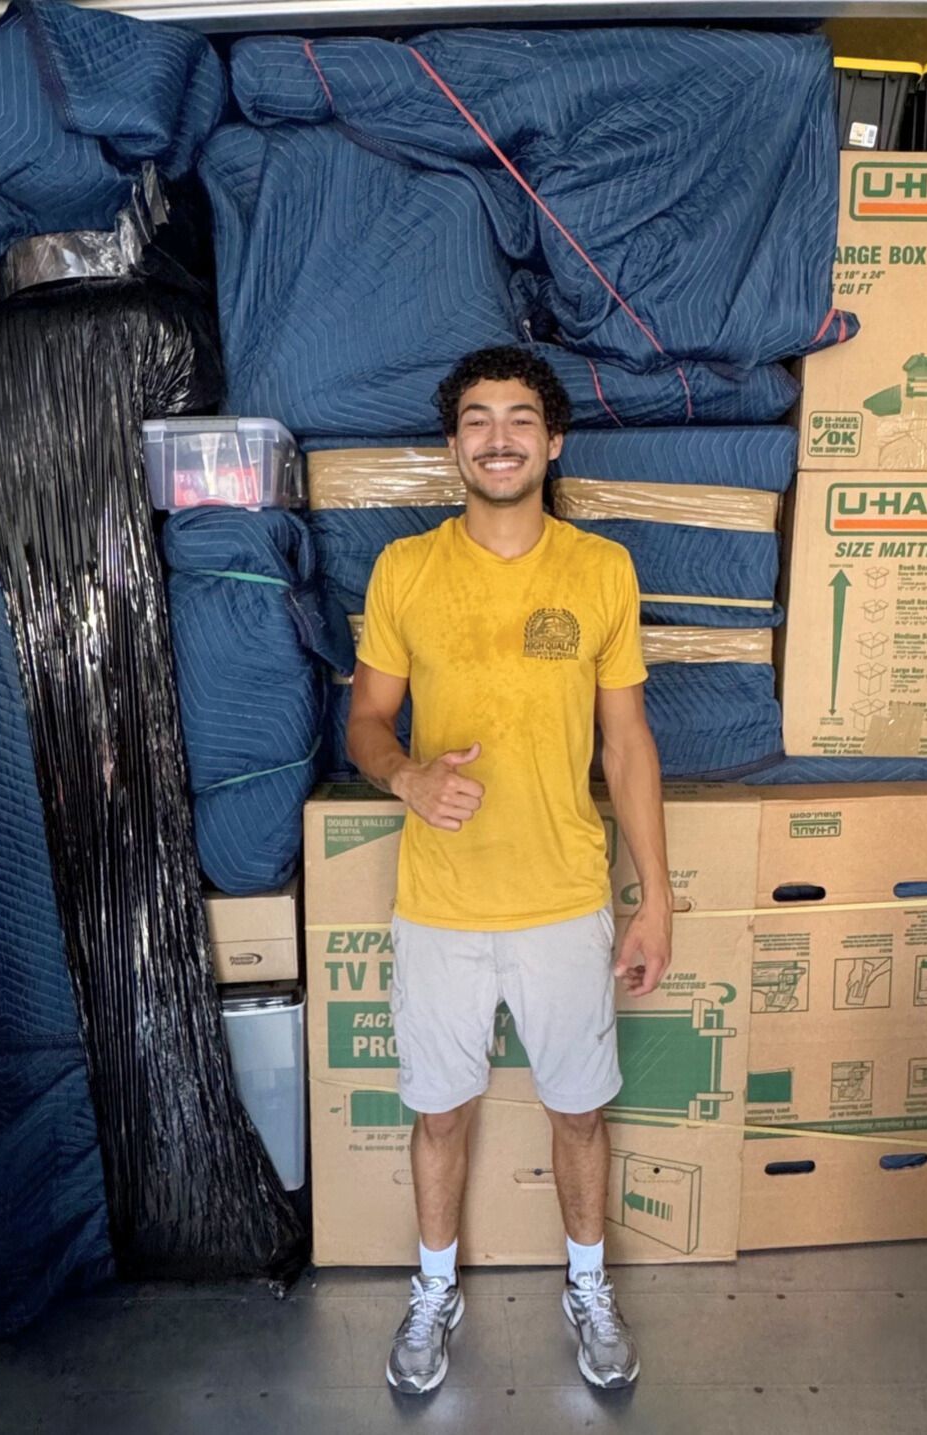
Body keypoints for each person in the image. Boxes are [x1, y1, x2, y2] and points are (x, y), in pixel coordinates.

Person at [347, 346, 673, 1394]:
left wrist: (653, 898)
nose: (499, 436)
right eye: (478, 419)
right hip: (440, 904)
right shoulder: (406, 569)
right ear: (453, 447)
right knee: (439, 1112)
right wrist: (404, 779)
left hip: (564, 899)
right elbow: (365, 720)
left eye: (520, 417)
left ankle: (589, 1285)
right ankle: (433, 1288)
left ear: (553, 439)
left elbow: (624, 745)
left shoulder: (599, 570)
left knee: (579, 1110)